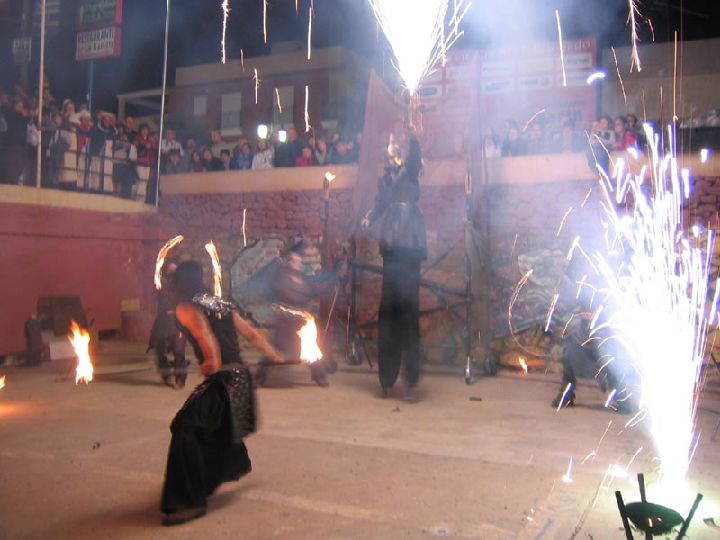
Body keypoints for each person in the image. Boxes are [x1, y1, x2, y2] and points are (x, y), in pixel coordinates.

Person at [160, 260, 284, 526]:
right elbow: (252, 334)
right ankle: (232, 463)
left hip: (224, 381)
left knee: (186, 427)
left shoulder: (186, 307)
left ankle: (189, 502)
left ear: (180, 283)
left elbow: (211, 353)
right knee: (210, 425)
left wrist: (206, 365)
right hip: (241, 379)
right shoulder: (218, 302)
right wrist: (275, 355)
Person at [362, 128, 427, 402]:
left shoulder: (410, 173)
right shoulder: (386, 182)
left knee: (408, 312)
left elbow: (415, 159)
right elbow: (379, 204)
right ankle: (387, 379)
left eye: (395, 154)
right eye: (389, 156)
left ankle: (410, 380)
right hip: (391, 249)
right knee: (388, 312)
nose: (391, 158)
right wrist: (369, 217)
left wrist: (413, 138)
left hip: (410, 247)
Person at [255, 235, 346, 388]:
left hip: (301, 324)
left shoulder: (304, 281)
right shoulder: (281, 279)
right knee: (277, 353)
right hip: (285, 326)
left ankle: (319, 376)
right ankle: (259, 377)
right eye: (296, 261)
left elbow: (318, 288)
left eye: (300, 261)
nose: (299, 264)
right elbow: (287, 294)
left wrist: (336, 276)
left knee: (311, 350)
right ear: (289, 263)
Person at [148, 260, 188, 388]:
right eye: (169, 271)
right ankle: (166, 375)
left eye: (174, 271)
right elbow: (156, 300)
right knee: (159, 349)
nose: (172, 274)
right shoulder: (161, 286)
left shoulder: (183, 287)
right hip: (162, 322)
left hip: (177, 323)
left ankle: (180, 379)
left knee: (178, 351)